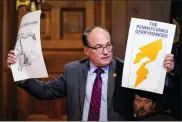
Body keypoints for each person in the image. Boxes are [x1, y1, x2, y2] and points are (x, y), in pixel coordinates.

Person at [7, 26, 174, 121]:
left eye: (108, 45)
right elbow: (44, 91)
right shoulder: (72, 71)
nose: (106, 51)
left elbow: (150, 93)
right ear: (87, 50)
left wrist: (163, 73)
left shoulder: (124, 69)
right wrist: (19, 71)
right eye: (99, 47)